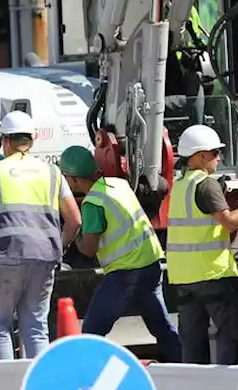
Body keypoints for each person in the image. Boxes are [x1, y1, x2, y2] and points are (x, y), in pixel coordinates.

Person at [0, 111, 82, 360]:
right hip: (44, 259)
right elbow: (75, 220)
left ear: (6, 141)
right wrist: (58, 248)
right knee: (35, 327)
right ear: (31, 141)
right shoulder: (53, 173)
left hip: (5, 257)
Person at [59, 145, 181, 362]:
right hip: (150, 263)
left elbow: (88, 249)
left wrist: (74, 236)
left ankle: (86, 372)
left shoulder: (93, 203)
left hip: (125, 273)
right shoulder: (119, 184)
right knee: (162, 328)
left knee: (92, 331)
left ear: (73, 179)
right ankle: (183, 369)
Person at [166, 125, 238, 365]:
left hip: (184, 278)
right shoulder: (206, 185)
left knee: (192, 343)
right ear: (200, 155)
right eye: (214, 153)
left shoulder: (181, 185)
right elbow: (231, 223)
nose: (218, 158)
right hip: (213, 275)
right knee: (227, 338)